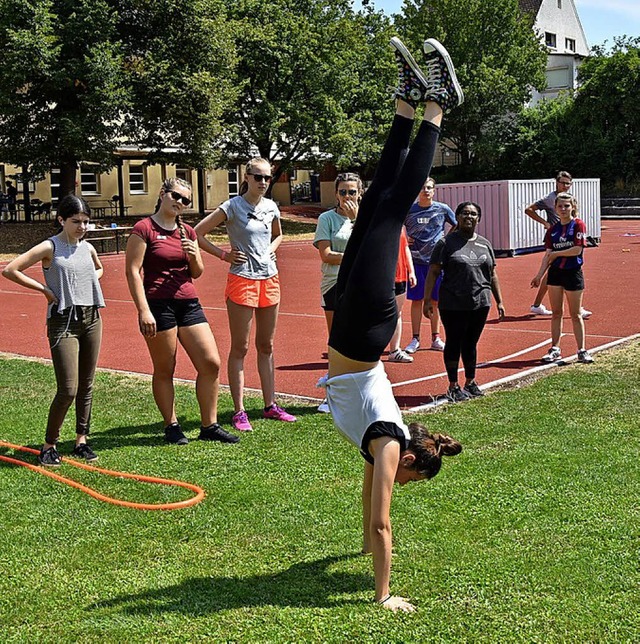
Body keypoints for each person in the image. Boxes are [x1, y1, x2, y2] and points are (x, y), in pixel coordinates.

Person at [324, 36, 463, 612]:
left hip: (351, 332)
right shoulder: (388, 443)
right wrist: (384, 594)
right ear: (409, 462)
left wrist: (360, 547)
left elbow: (369, 514)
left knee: (379, 194)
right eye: (407, 481)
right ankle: (438, 105)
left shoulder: (382, 447)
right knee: (393, 206)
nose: (395, 488)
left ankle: (407, 102)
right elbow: (384, 524)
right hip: (365, 327)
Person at [125, 178, 239, 445]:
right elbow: (132, 271)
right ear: (163, 194)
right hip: (158, 304)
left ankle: (209, 425)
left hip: (188, 303)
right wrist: (143, 310)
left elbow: (196, 273)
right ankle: (171, 425)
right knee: (166, 367)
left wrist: (193, 255)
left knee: (211, 362)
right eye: (176, 196)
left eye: (186, 200)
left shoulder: (187, 231)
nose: (180, 202)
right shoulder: (144, 228)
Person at [2, 194, 105, 466]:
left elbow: (99, 268)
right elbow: (11, 269)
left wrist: (89, 280)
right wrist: (45, 290)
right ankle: (49, 445)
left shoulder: (87, 248)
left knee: (87, 384)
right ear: (61, 219)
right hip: (63, 321)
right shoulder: (51, 246)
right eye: (76, 221)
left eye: (86, 222)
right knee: (68, 388)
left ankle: (81, 439)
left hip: (91, 317)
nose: (82, 227)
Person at [195, 159, 297, 432]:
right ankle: (239, 411)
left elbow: (278, 234)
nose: (263, 182)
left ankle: (270, 405)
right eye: (258, 177)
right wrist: (224, 255)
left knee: (267, 345)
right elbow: (197, 234)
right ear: (247, 177)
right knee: (240, 347)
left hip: (270, 279)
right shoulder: (232, 207)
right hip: (242, 280)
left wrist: (272, 249)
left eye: (267, 178)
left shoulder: (271, 206)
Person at [423, 201, 506, 402]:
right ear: (457, 217)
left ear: (479, 218)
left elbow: (492, 273)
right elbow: (433, 271)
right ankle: (453, 385)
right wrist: (427, 300)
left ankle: (470, 382)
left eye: (473, 214)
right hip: (453, 303)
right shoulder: (445, 243)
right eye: (464, 213)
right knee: (454, 341)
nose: (469, 217)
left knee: (471, 343)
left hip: (480, 302)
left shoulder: (485, 243)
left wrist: (500, 301)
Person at [531, 193, 594, 364]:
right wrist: (539, 275)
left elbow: (577, 250)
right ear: (555, 208)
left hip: (573, 272)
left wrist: (558, 253)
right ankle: (555, 349)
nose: (563, 209)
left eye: (567, 206)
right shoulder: (553, 230)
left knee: (575, 314)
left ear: (573, 206)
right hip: (555, 274)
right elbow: (547, 256)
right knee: (557, 312)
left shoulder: (578, 225)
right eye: (560, 206)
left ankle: (582, 350)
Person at [525, 171, 591, 319]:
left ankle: (537, 305)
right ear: (556, 182)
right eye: (562, 182)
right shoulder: (550, 199)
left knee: (554, 272)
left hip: (567, 237)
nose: (565, 186)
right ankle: (573, 307)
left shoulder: (569, 198)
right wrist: (545, 223)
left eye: (568, 183)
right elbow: (529, 210)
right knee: (555, 271)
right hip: (555, 239)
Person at [403, 176, 456, 354]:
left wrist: (447, 239)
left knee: (435, 300)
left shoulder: (442, 209)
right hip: (416, 262)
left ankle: (436, 338)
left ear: (434, 190)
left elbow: (457, 224)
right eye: (423, 187)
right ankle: (415, 338)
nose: (426, 190)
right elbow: (395, 226)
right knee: (417, 301)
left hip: (436, 263)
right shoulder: (409, 210)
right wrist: (404, 237)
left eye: (429, 187)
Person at [313, 173, 362, 335]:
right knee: (336, 334)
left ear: (359, 193)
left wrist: (356, 220)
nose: (347, 196)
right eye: (342, 192)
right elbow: (326, 255)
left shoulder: (366, 218)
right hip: (334, 282)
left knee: (359, 333)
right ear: (336, 194)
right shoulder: (326, 218)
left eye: (352, 192)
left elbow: (370, 249)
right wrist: (354, 258)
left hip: (360, 281)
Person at [387, 227, 416, 362]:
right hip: (382, 276)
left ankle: (394, 350)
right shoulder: (376, 223)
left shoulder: (400, 226)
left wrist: (411, 271)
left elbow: (405, 248)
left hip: (400, 276)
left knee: (397, 314)